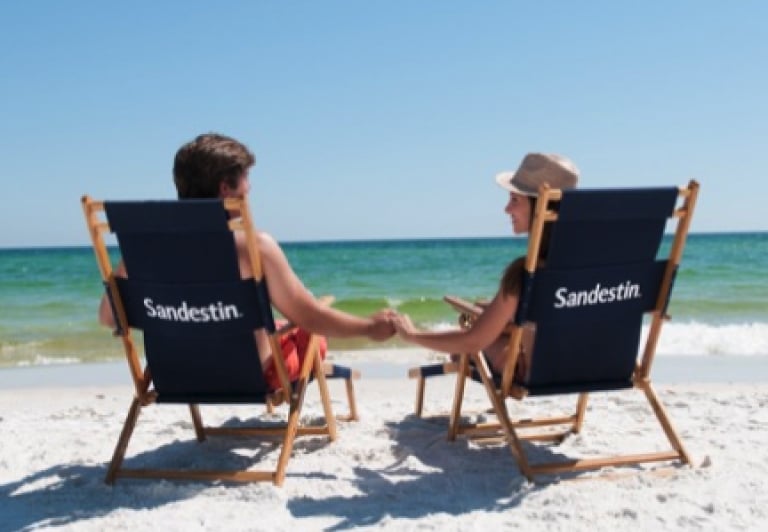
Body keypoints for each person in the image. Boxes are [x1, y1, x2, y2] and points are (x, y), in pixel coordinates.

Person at [99, 132, 395, 390]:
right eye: (245, 179)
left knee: (273, 323)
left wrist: (186, 319)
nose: (249, 189)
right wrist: (369, 327)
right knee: (311, 335)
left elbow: (108, 317)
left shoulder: (146, 247)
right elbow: (309, 316)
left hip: (178, 374)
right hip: (251, 376)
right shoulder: (255, 245)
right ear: (226, 189)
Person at [391, 152, 579, 378]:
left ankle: (468, 351)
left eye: (515, 200)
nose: (506, 209)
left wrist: (412, 335)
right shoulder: (591, 265)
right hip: (588, 366)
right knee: (488, 320)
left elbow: (472, 341)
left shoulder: (525, 274)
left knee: (470, 333)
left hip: (536, 372)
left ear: (539, 206)